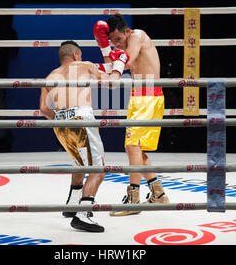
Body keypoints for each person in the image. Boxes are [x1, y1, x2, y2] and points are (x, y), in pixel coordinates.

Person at [39, 40, 128, 232]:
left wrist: (62, 118)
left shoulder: (48, 77)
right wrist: (120, 63)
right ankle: (83, 214)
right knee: (99, 168)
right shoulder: (84, 65)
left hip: (60, 123)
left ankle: (72, 205)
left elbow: (44, 109)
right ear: (76, 55)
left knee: (80, 163)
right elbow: (111, 84)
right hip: (81, 117)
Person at [93, 14, 169, 217]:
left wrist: (109, 54)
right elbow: (113, 65)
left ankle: (133, 200)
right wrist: (105, 49)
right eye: (112, 41)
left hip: (149, 96)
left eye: (118, 39)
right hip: (140, 96)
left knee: (132, 146)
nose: (116, 44)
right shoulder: (121, 48)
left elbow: (126, 61)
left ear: (126, 31)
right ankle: (158, 193)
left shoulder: (137, 35)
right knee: (136, 150)